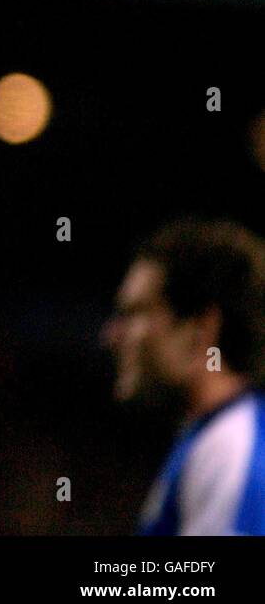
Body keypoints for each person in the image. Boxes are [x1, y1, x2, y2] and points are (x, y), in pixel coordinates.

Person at [103, 218, 265, 535]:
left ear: (200, 329)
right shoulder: (209, 440)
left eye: (136, 312)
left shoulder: (230, 451)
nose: (112, 335)